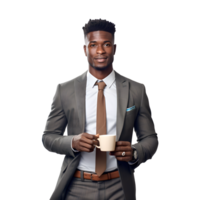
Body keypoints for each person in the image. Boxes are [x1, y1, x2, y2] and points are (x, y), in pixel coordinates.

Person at [41, 17, 160, 200]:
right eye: (93, 45)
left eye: (106, 44)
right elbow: (47, 137)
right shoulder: (64, 90)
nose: (100, 51)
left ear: (116, 48)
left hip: (120, 186)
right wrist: (72, 142)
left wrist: (134, 152)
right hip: (77, 185)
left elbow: (151, 138)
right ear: (84, 50)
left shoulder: (137, 90)